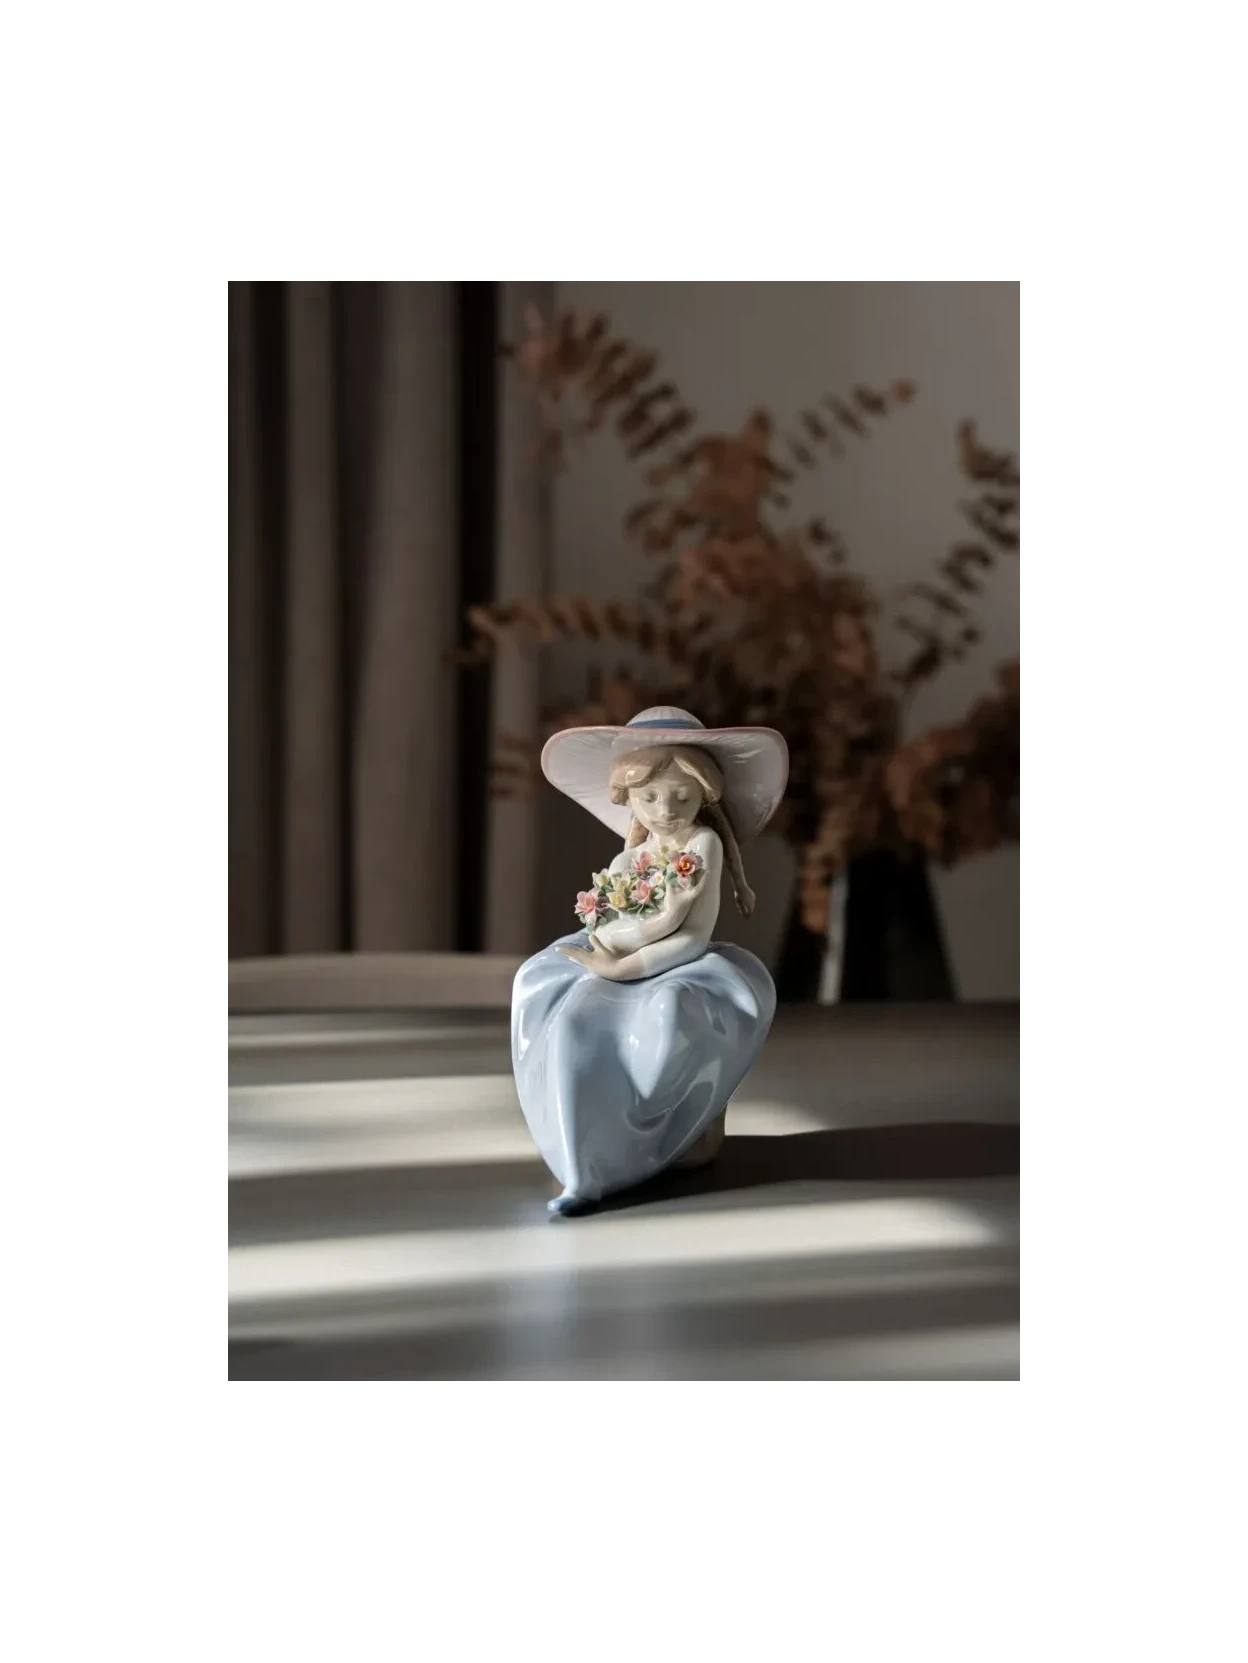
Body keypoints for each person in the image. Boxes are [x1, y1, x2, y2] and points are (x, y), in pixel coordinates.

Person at [511, 706, 788, 1216]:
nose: (665, 811)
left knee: (669, 1014)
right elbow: (602, 928)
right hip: (620, 958)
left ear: (704, 795)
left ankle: (662, 1141)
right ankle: (581, 1156)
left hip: (680, 964)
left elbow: (693, 937)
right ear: (628, 797)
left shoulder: (703, 844)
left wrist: (629, 962)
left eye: (682, 797)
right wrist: (625, 943)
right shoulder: (628, 860)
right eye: (650, 798)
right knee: (558, 1006)